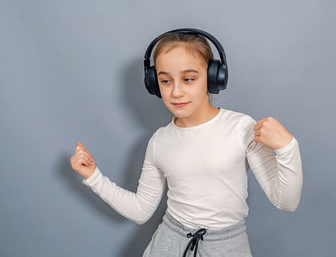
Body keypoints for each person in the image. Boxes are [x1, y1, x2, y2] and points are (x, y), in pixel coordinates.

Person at [70, 29, 303, 257]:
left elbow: (286, 201)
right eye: (165, 81)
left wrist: (287, 148)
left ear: (213, 77)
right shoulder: (160, 141)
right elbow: (141, 211)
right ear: (154, 83)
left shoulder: (241, 128)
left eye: (189, 79)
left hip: (227, 246)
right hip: (168, 243)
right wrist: (93, 177)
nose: (176, 92)